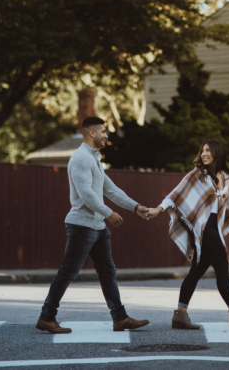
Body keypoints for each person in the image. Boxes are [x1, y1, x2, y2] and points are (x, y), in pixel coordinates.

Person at [37, 116, 150, 334]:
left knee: (108, 272)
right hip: (82, 226)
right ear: (92, 133)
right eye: (104, 132)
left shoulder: (94, 159)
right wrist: (109, 213)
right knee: (68, 272)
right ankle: (46, 317)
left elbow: (112, 190)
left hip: (98, 228)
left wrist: (137, 207)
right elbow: (85, 193)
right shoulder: (80, 158)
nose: (107, 136)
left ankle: (120, 318)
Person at [145, 140, 229, 330]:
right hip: (203, 228)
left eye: (208, 150)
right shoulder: (198, 175)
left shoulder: (227, 178)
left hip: (215, 227)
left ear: (217, 153)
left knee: (196, 271)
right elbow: (175, 194)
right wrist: (158, 209)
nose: (204, 153)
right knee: (222, 266)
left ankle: (180, 315)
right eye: (202, 150)